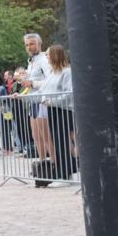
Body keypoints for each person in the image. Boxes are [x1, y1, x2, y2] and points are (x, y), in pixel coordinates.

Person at [37, 45, 76, 181]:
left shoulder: (67, 72)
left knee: (62, 142)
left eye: (48, 55)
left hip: (64, 111)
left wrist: (53, 101)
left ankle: (65, 173)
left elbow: (69, 93)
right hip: (53, 110)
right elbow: (42, 91)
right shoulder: (52, 73)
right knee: (57, 141)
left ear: (55, 55)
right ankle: (64, 172)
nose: (46, 57)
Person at [24, 33, 53, 162]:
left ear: (39, 44)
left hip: (43, 101)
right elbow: (31, 80)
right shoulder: (31, 61)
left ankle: (55, 163)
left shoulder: (44, 59)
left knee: (46, 136)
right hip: (33, 101)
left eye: (32, 44)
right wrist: (24, 79)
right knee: (35, 136)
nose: (29, 47)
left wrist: (33, 83)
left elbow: (50, 80)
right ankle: (42, 163)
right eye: (27, 45)